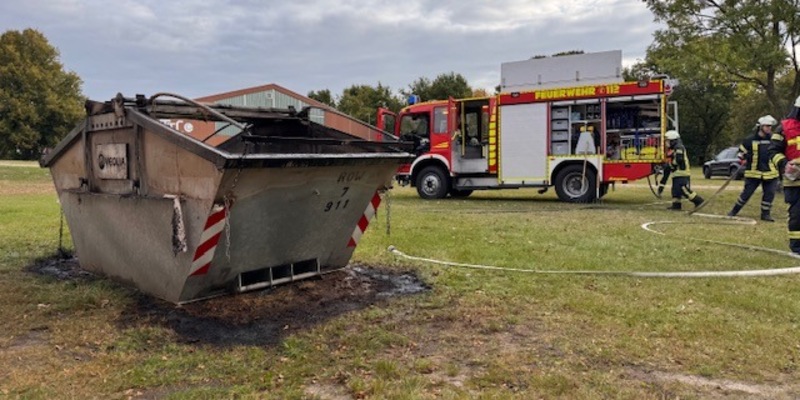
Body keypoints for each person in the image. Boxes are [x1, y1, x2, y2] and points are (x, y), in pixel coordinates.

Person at [727, 115, 780, 221]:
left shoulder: (774, 139)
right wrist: (743, 156)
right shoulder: (749, 140)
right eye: (767, 126)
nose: (769, 128)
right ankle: (734, 211)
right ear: (760, 127)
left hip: (771, 172)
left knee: (769, 194)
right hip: (753, 172)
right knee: (746, 194)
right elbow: (741, 153)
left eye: (770, 126)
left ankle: (765, 214)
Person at [768, 95, 800, 254]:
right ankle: (797, 247)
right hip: (795, 181)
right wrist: (784, 164)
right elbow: (773, 151)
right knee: (797, 214)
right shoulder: (784, 128)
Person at [657, 130, 705, 210]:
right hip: (677, 174)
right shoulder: (672, 149)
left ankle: (698, 201)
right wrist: (661, 186)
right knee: (675, 191)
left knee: (683, 190)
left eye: (668, 141)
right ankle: (676, 205)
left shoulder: (679, 147)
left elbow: (679, 159)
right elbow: (668, 169)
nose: (666, 143)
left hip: (682, 173)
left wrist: (670, 165)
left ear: (673, 140)